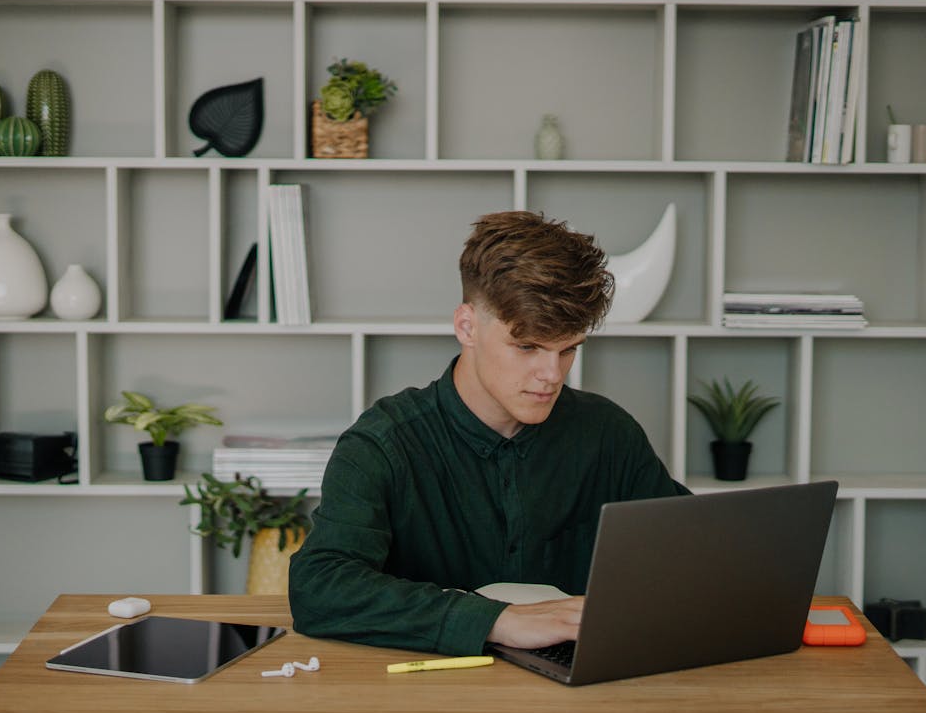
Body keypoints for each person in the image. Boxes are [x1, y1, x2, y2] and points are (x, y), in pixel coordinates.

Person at [288, 210, 691, 655]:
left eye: (568, 350)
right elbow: (320, 586)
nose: (552, 375)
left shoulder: (608, 433)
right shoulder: (384, 444)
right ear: (467, 327)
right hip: (426, 698)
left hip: (585, 697)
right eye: (527, 346)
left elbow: (688, 553)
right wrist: (496, 621)